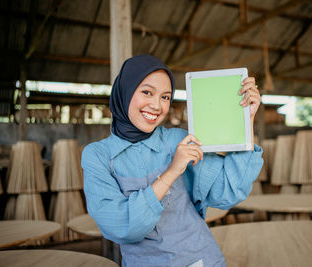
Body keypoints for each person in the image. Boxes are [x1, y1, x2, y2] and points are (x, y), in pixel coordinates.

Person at [81, 54, 263, 267]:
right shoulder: (98, 156)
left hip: (204, 260)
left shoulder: (179, 139)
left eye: (165, 97)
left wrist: (246, 119)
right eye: (147, 92)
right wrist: (172, 171)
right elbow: (122, 226)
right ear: (125, 91)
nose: (157, 106)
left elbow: (226, 193)